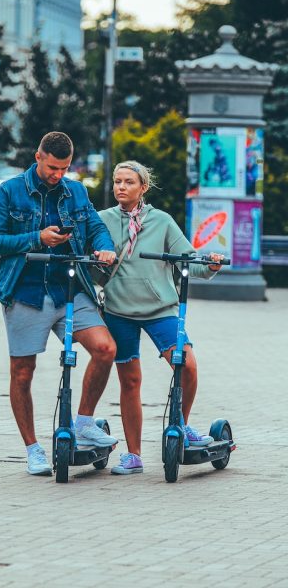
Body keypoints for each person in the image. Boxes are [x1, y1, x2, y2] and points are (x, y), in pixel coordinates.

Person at [0, 132, 118, 476]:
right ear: (38, 155)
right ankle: (32, 449)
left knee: (105, 349)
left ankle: (84, 422)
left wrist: (104, 247)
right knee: (23, 372)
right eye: (53, 167)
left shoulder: (76, 191)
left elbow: (96, 227)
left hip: (70, 288)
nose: (59, 175)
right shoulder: (10, 191)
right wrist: (36, 238)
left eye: (65, 168)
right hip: (26, 291)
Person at [96, 160, 224, 476]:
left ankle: (181, 424)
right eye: (117, 181)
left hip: (160, 310)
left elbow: (188, 261)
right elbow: (92, 266)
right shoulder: (102, 221)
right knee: (130, 381)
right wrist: (97, 262)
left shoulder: (162, 221)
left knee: (187, 364)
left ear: (143, 188)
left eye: (128, 182)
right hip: (118, 311)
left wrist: (210, 265)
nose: (121, 187)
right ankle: (133, 455)